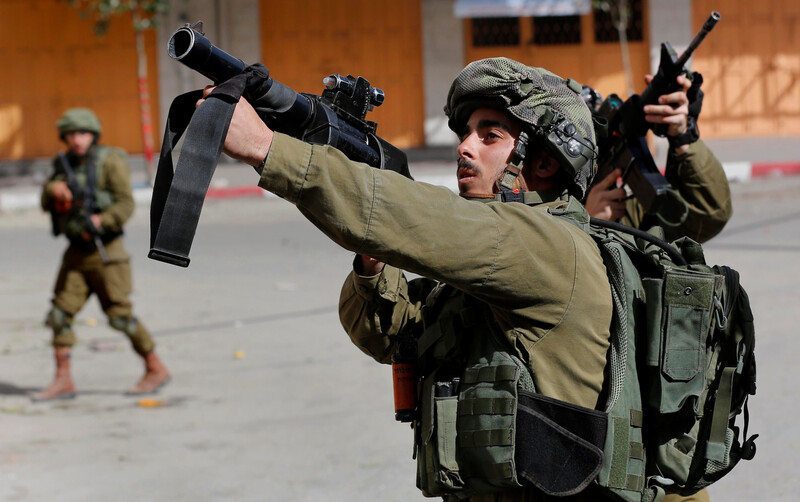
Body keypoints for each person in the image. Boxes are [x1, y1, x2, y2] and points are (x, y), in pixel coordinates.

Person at [210, 57, 619, 500]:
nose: (465, 147)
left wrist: (267, 148)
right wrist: (374, 259)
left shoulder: (550, 246)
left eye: (490, 136)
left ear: (544, 163)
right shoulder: (491, 260)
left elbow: (427, 216)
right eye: (466, 134)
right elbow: (392, 338)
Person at [34, 108, 170, 401]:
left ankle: (155, 367)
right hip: (75, 254)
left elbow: (125, 204)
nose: (78, 140)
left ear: (93, 135)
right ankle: (63, 380)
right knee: (59, 315)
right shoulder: (63, 165)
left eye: (83, 133)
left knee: (120, 316)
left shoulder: (110, 161)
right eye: (72, 134)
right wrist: (52, 190)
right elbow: (46, 203)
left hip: (107, 252)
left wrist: (102, 220)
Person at [584, 74, 731, 244]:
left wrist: (683, 138)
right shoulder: (550, 216)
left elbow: (710, 216)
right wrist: (587, 228)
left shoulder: (619, 202)